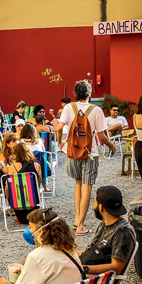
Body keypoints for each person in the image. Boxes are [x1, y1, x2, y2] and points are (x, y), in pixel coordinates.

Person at [54, 80, 114, 234]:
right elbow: (102, 135)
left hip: (73, 151)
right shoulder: (96, 110)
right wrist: (111, 146)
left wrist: (60, 142)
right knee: (87, 187)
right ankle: (81, 226)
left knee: (78, 184)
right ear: (89, 93)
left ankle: (77, 219)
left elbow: (59, 128)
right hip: (90, 153)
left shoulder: (69, 107)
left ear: (75, 94)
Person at [77, 186, 135, 276]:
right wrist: (69, 254)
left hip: (92, 279)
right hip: (84, 270)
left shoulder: (123, 232)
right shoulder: (105, 224)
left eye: (95, 203)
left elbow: (116, 268)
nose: (94, 206)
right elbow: (94, 252)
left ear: (101, 207)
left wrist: (82, 268)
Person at [3, 143, 43, 224]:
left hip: (18, 206)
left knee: (7, 186)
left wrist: (10, 201)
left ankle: (11, 205)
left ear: (16, 154)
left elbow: (8, 186)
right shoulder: (37, 166)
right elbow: (38, 184)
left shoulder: (13, 167)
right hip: (34, 204)